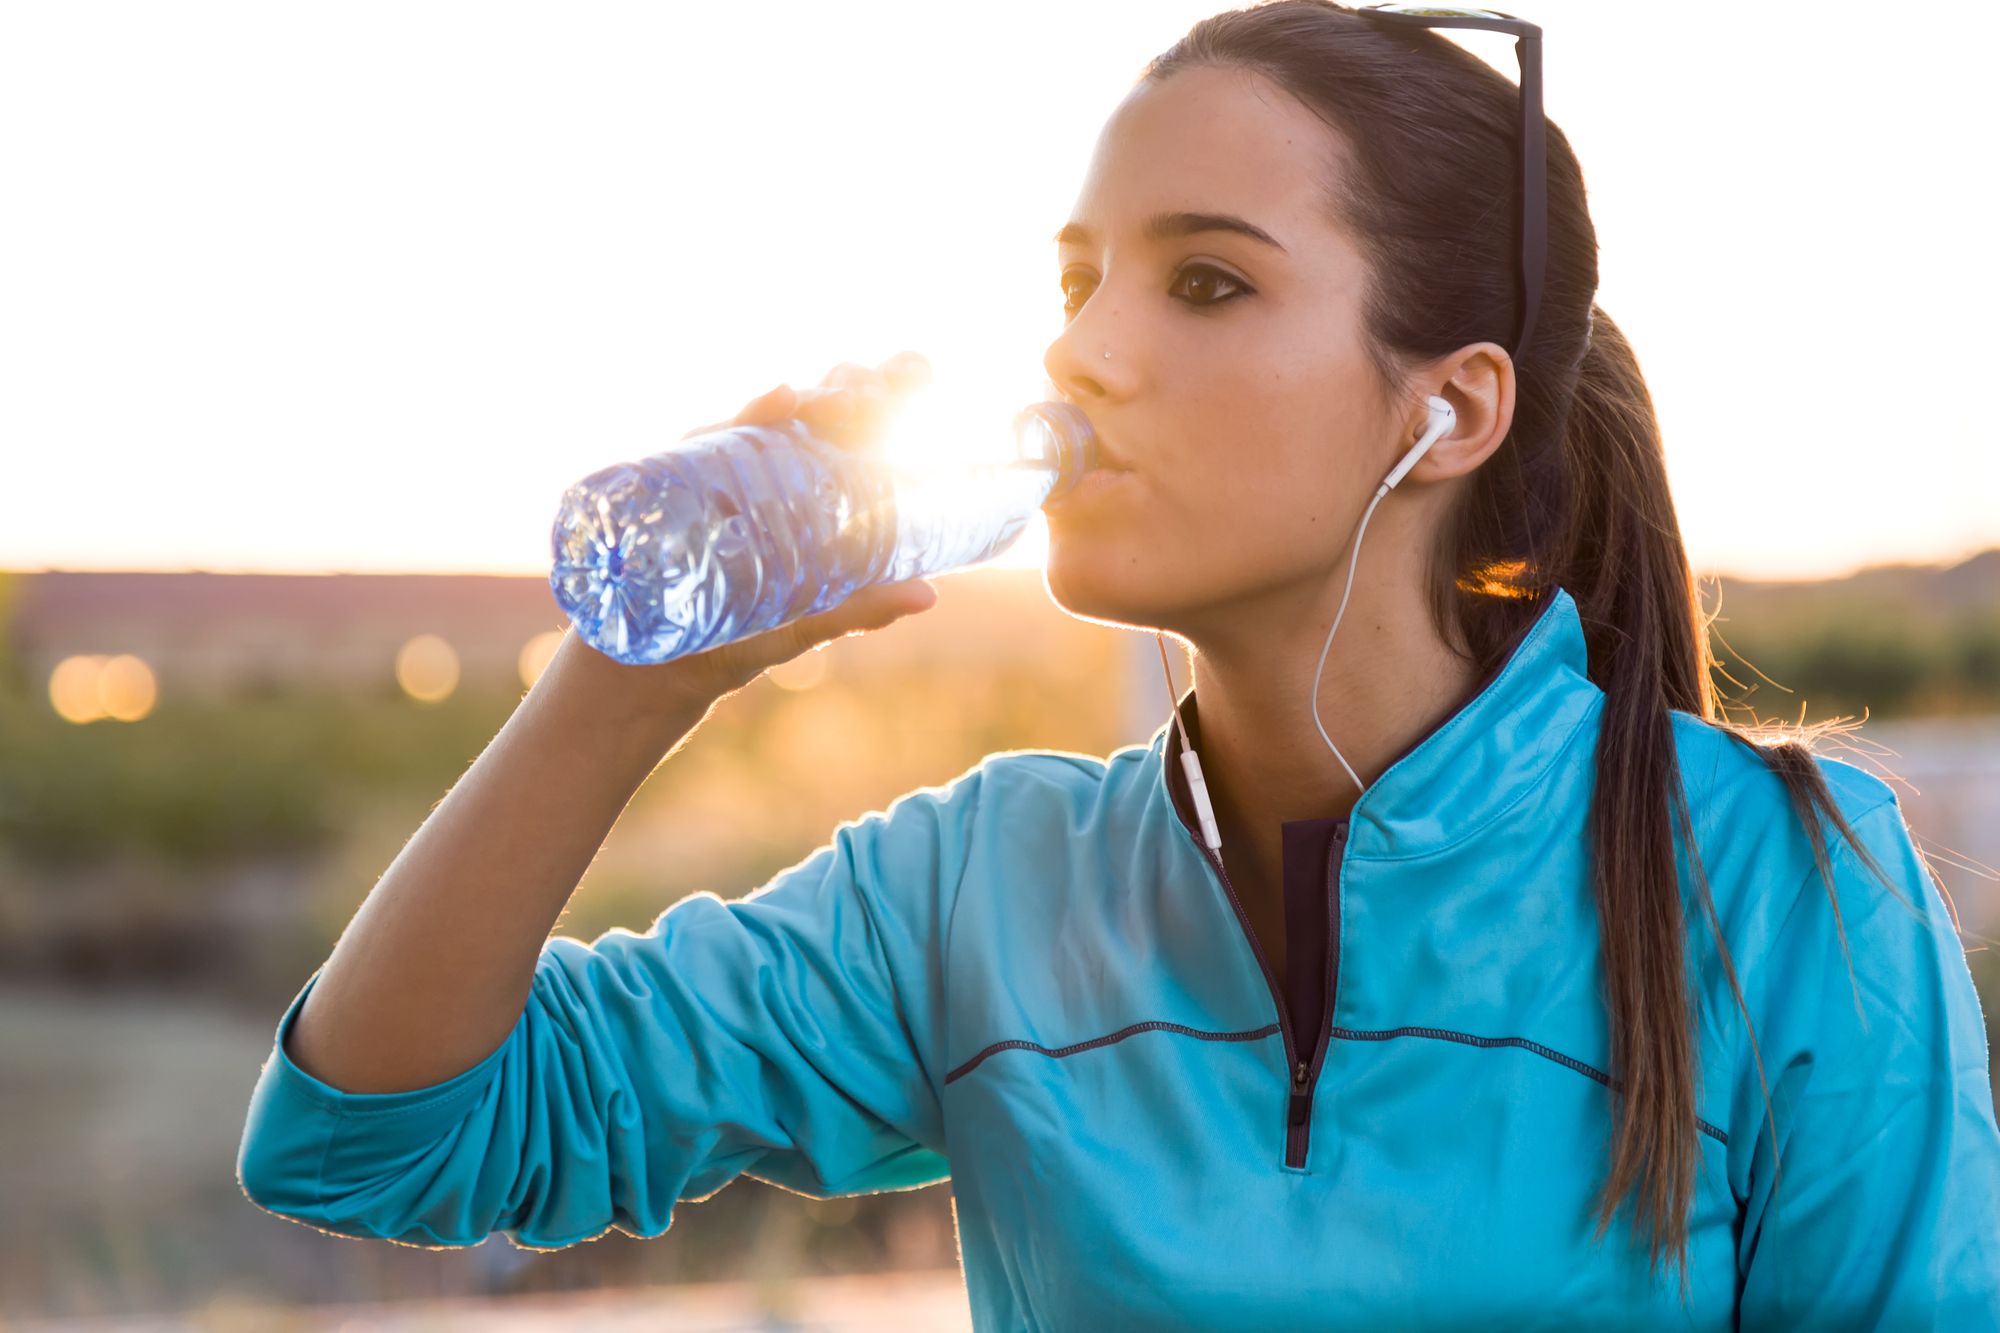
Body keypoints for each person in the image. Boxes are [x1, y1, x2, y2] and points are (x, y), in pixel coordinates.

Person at [237, 2, 2000, 1327]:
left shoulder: (1786, 883)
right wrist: (625, 682)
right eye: (1076, 282)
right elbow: (373, 1145)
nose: (1081, 354)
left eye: (1207, 286)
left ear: (1449, 403)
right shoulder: (971, 892)